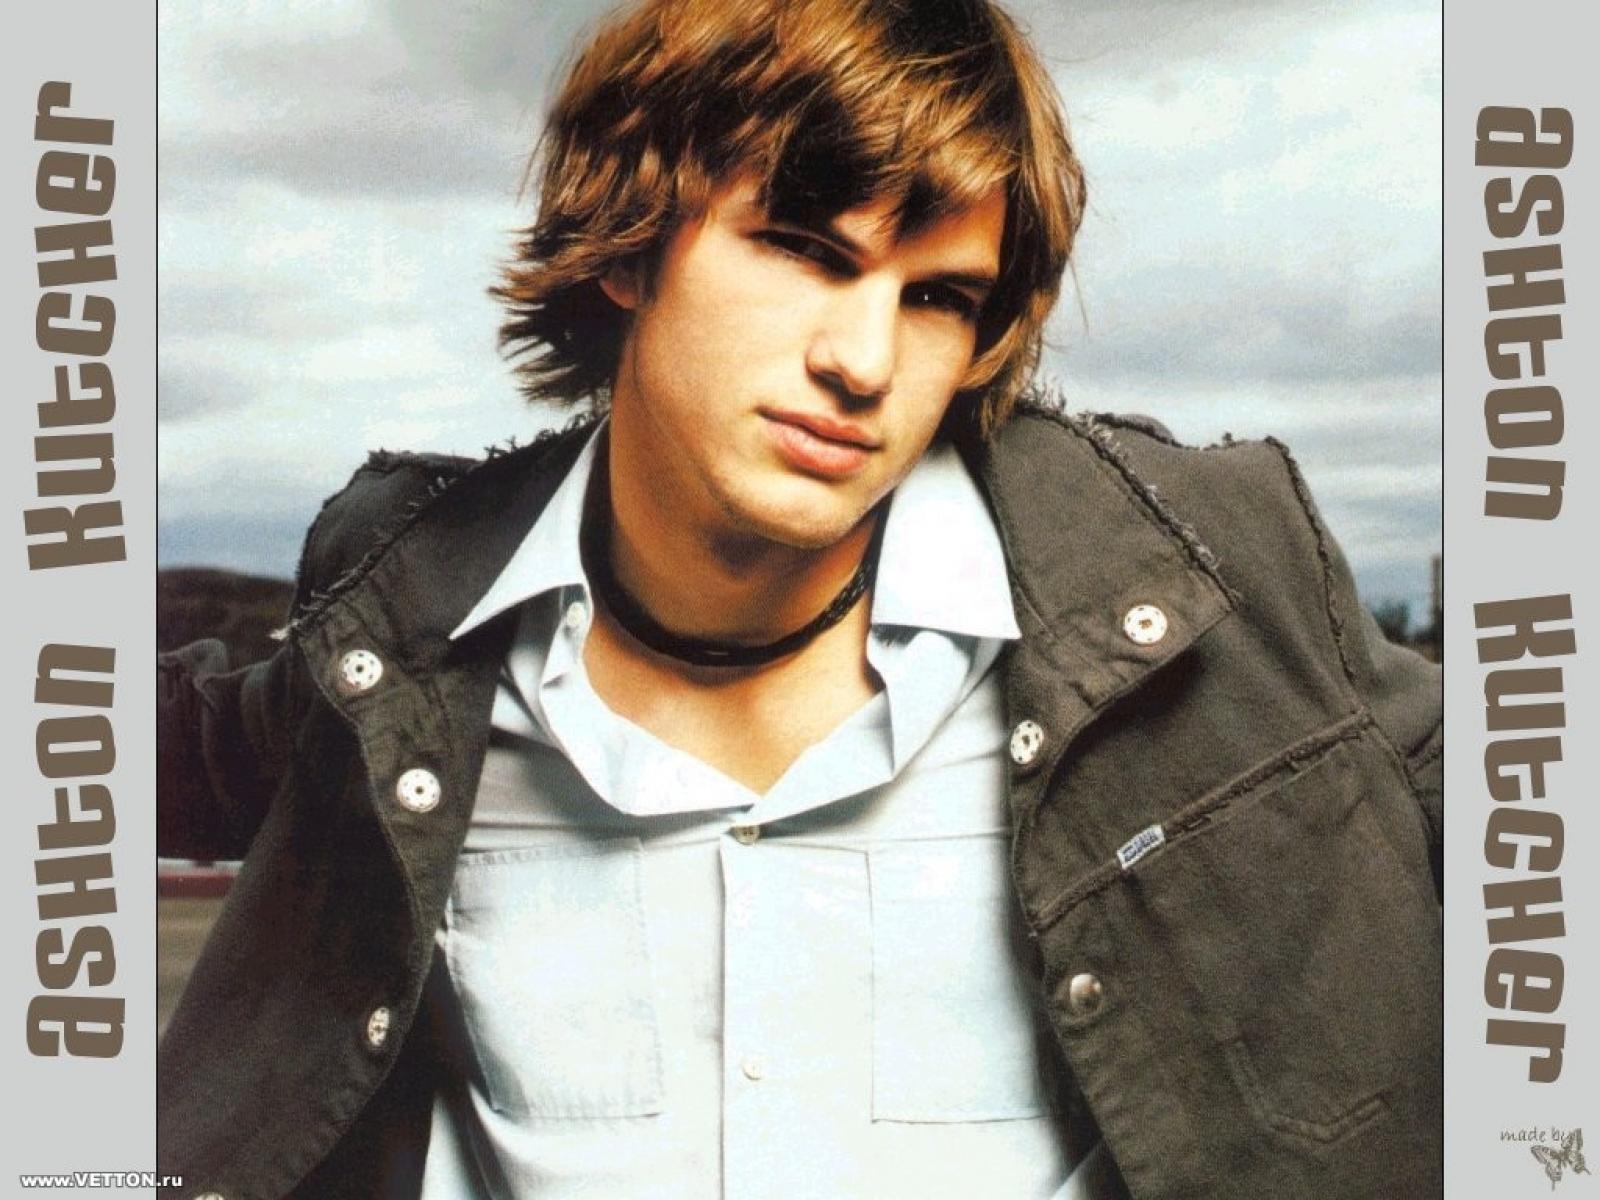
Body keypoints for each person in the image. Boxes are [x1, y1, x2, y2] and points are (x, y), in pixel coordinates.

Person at [157, 0, 1443, 1197]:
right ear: (629, 244)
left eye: (937, 297)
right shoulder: (403, 624)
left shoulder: (1199, 578)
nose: (864, 362)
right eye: (804, 250)